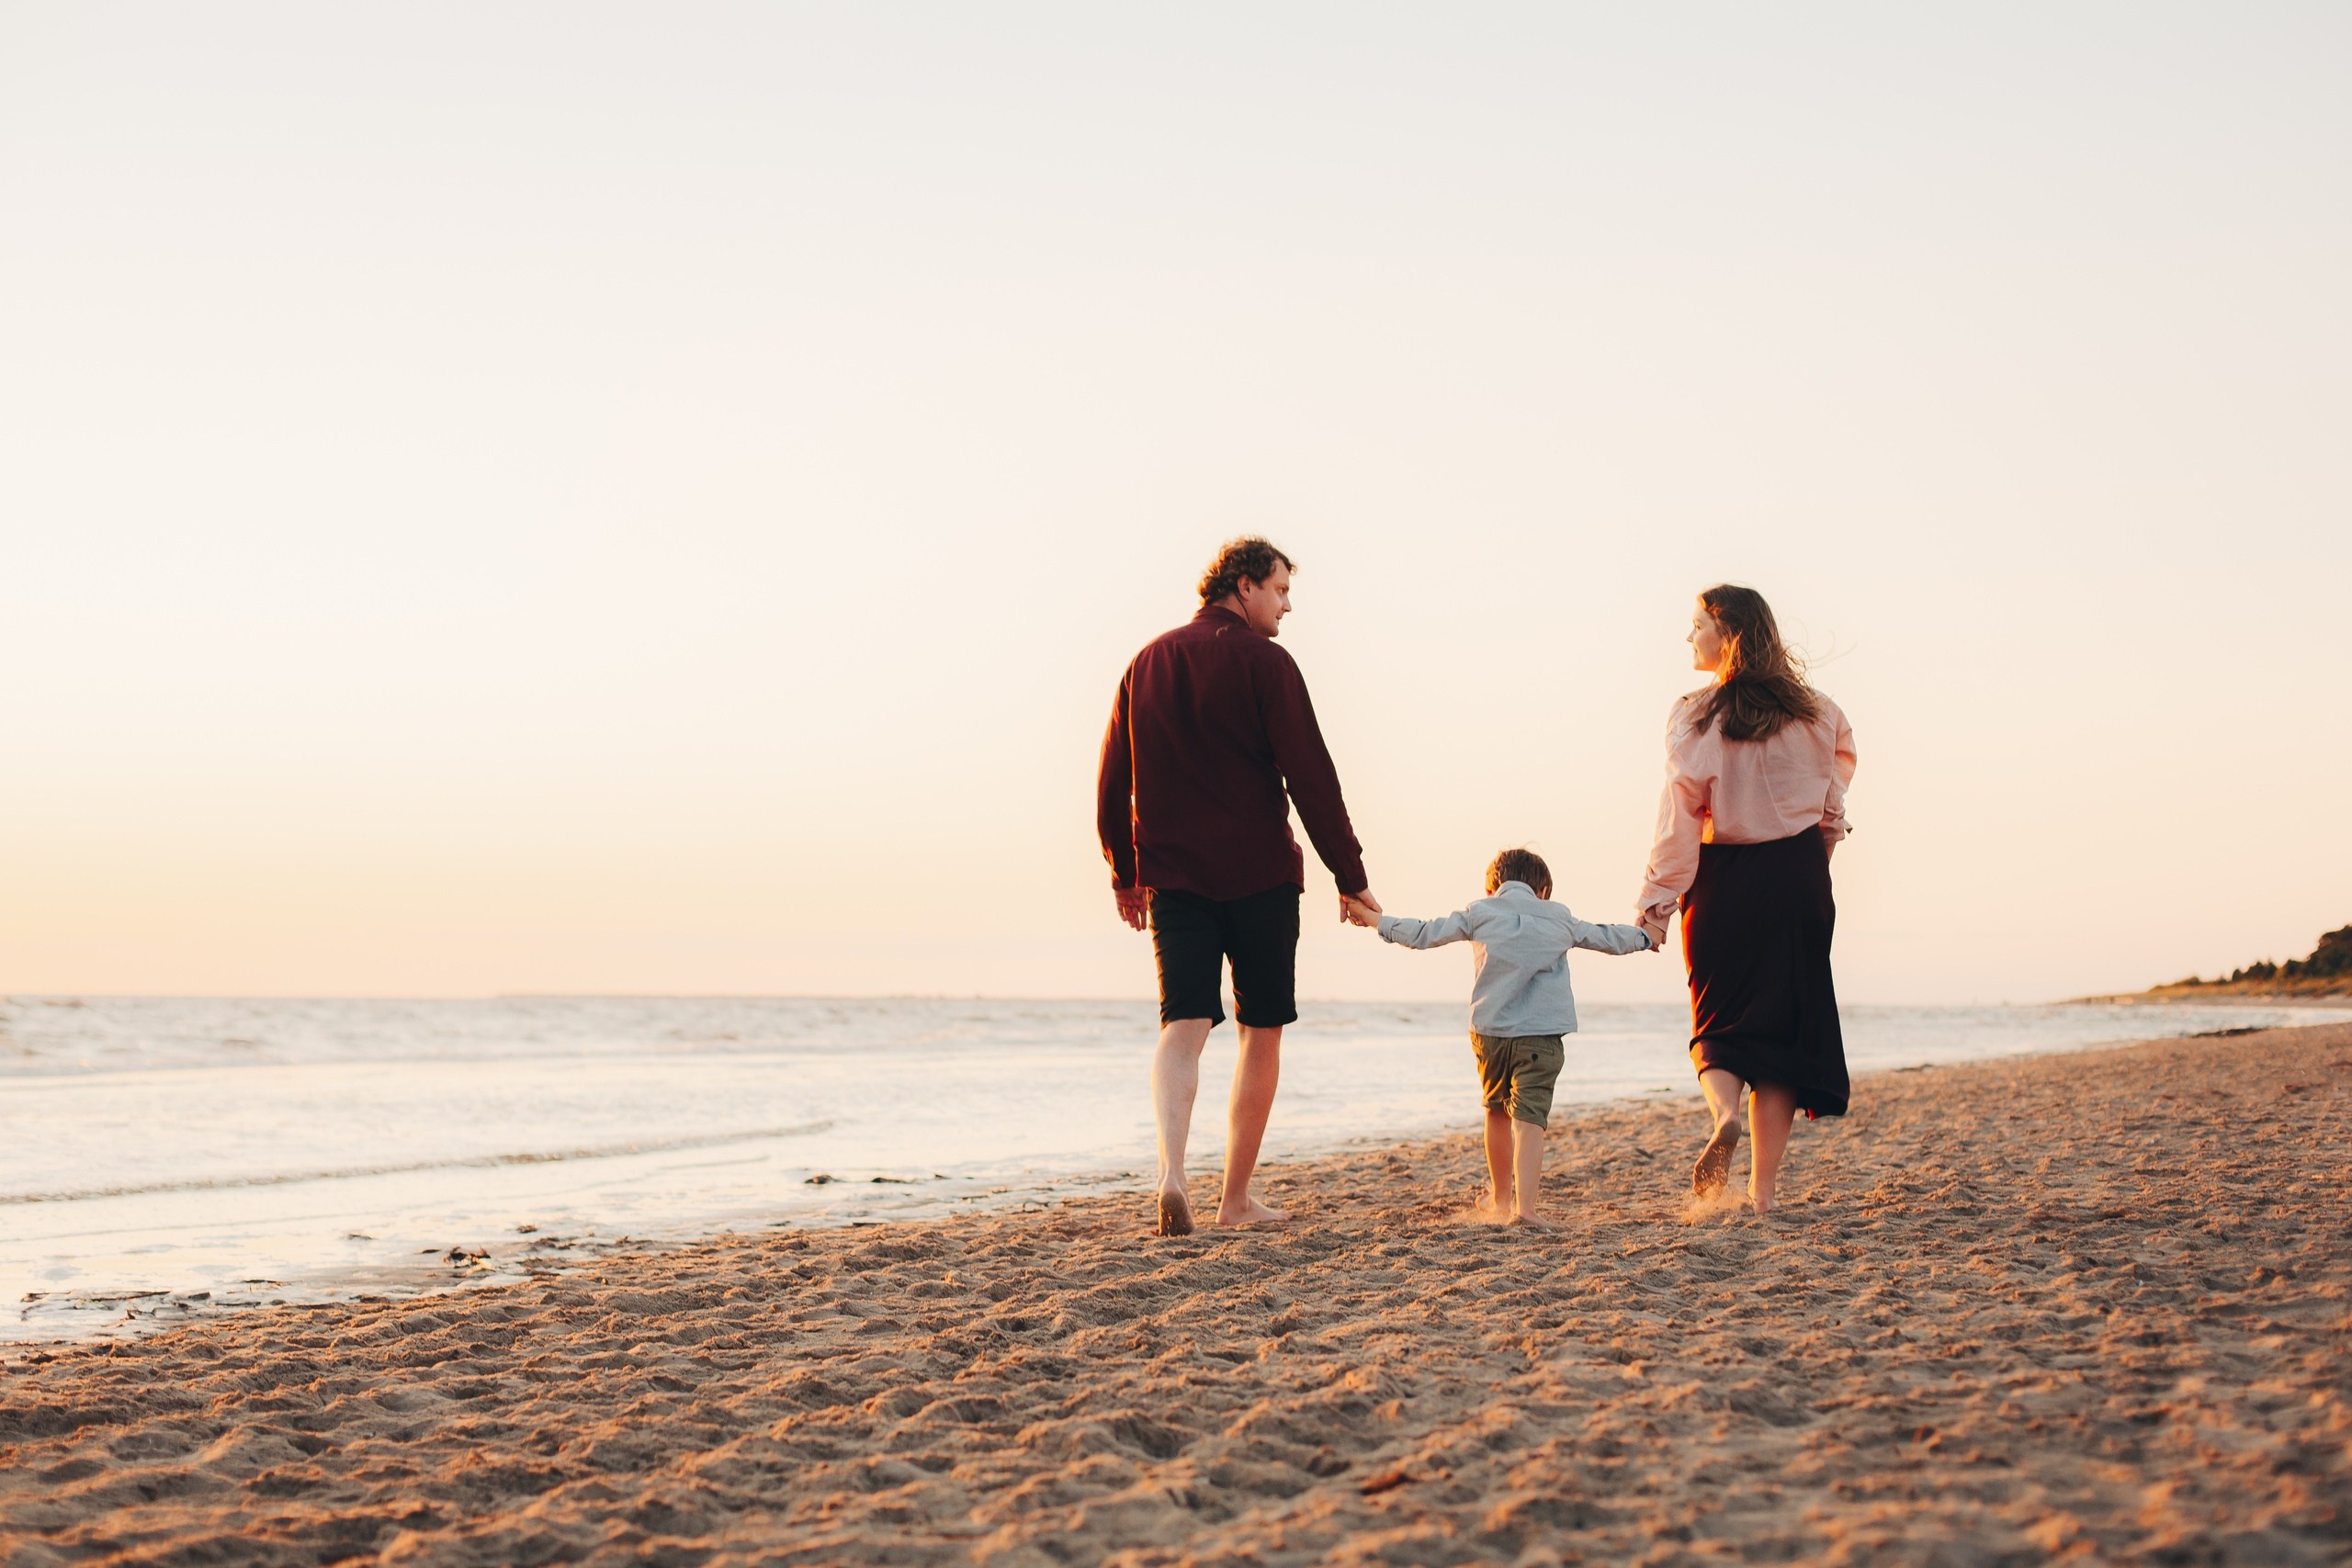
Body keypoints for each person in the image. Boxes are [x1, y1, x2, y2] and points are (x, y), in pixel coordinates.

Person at [1096, 536, 1379, 1237]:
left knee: (1182, 1025)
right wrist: (1351, 877)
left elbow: (1112, 778)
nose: (1285, 607)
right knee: (1260, 1032)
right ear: (1245, 585)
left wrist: (1124, 872)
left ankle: (1170, 1172)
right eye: (1281, 591)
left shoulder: (1147, 661)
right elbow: (1311, 775)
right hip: (1259, 876)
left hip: (1174, 877)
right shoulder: (1266, 661)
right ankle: (1233, 1201)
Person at [1636, 585, 1857, 1213]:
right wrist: (1809, 875)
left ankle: (1726, 1113)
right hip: (1797, 877)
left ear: (1727, 633)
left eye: (1698, 625)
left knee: (1718, 1022)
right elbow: (1831, 812)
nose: (1690, 637)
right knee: (1783, 1038)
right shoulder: (1821, 712)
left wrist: (1657, 905)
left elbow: (1677, 818)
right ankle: (1762, 1196)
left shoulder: (1693, 714)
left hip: (1722, 877)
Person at [1344, 848, 1654, 1229]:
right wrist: (1644, 936)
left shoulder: (1480, 911)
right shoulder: (1559, 916)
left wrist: (1373, 918)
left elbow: (1423, 933)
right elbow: (1608, 938)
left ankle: (1499, 1199)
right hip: (1540, 1035)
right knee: (1529, 1119)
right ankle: (1525, 1210)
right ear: (1543, 890)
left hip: (1490, 1034)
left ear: (1494, 887)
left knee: (1495, 1111)